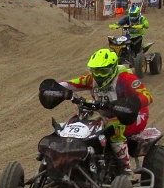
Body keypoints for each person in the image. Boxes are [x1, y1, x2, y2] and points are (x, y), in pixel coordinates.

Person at [59, 49, 154, 177]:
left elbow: (147, 96)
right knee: (80, 124)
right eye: (95, 71)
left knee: (113, 127)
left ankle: (126, 170)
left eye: (103, 71)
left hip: (133, 116)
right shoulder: (91, 79)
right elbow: (70, 84)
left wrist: (133, 103)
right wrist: (55, 87)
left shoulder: (125, 78)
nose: (98, 75)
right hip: (106, 115)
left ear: (113, 67)